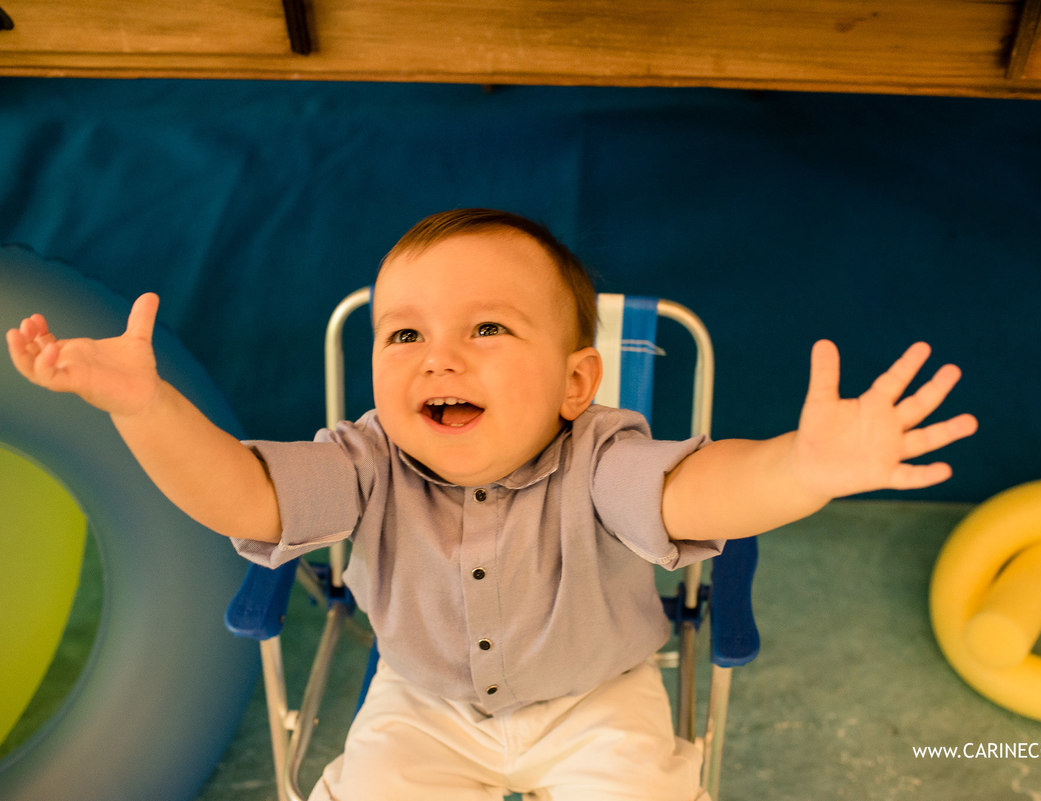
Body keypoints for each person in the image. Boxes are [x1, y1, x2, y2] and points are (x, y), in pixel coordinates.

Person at [6, 208, 977, 800]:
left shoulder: (605, 451)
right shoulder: (367, 458)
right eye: (404, 335)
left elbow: (698, 491)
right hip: (422, 701)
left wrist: (805, 465)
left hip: (595, 699)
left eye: (487, 328)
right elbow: (243, 493)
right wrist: (145, 407)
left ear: (574, 381)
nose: (440, 356)